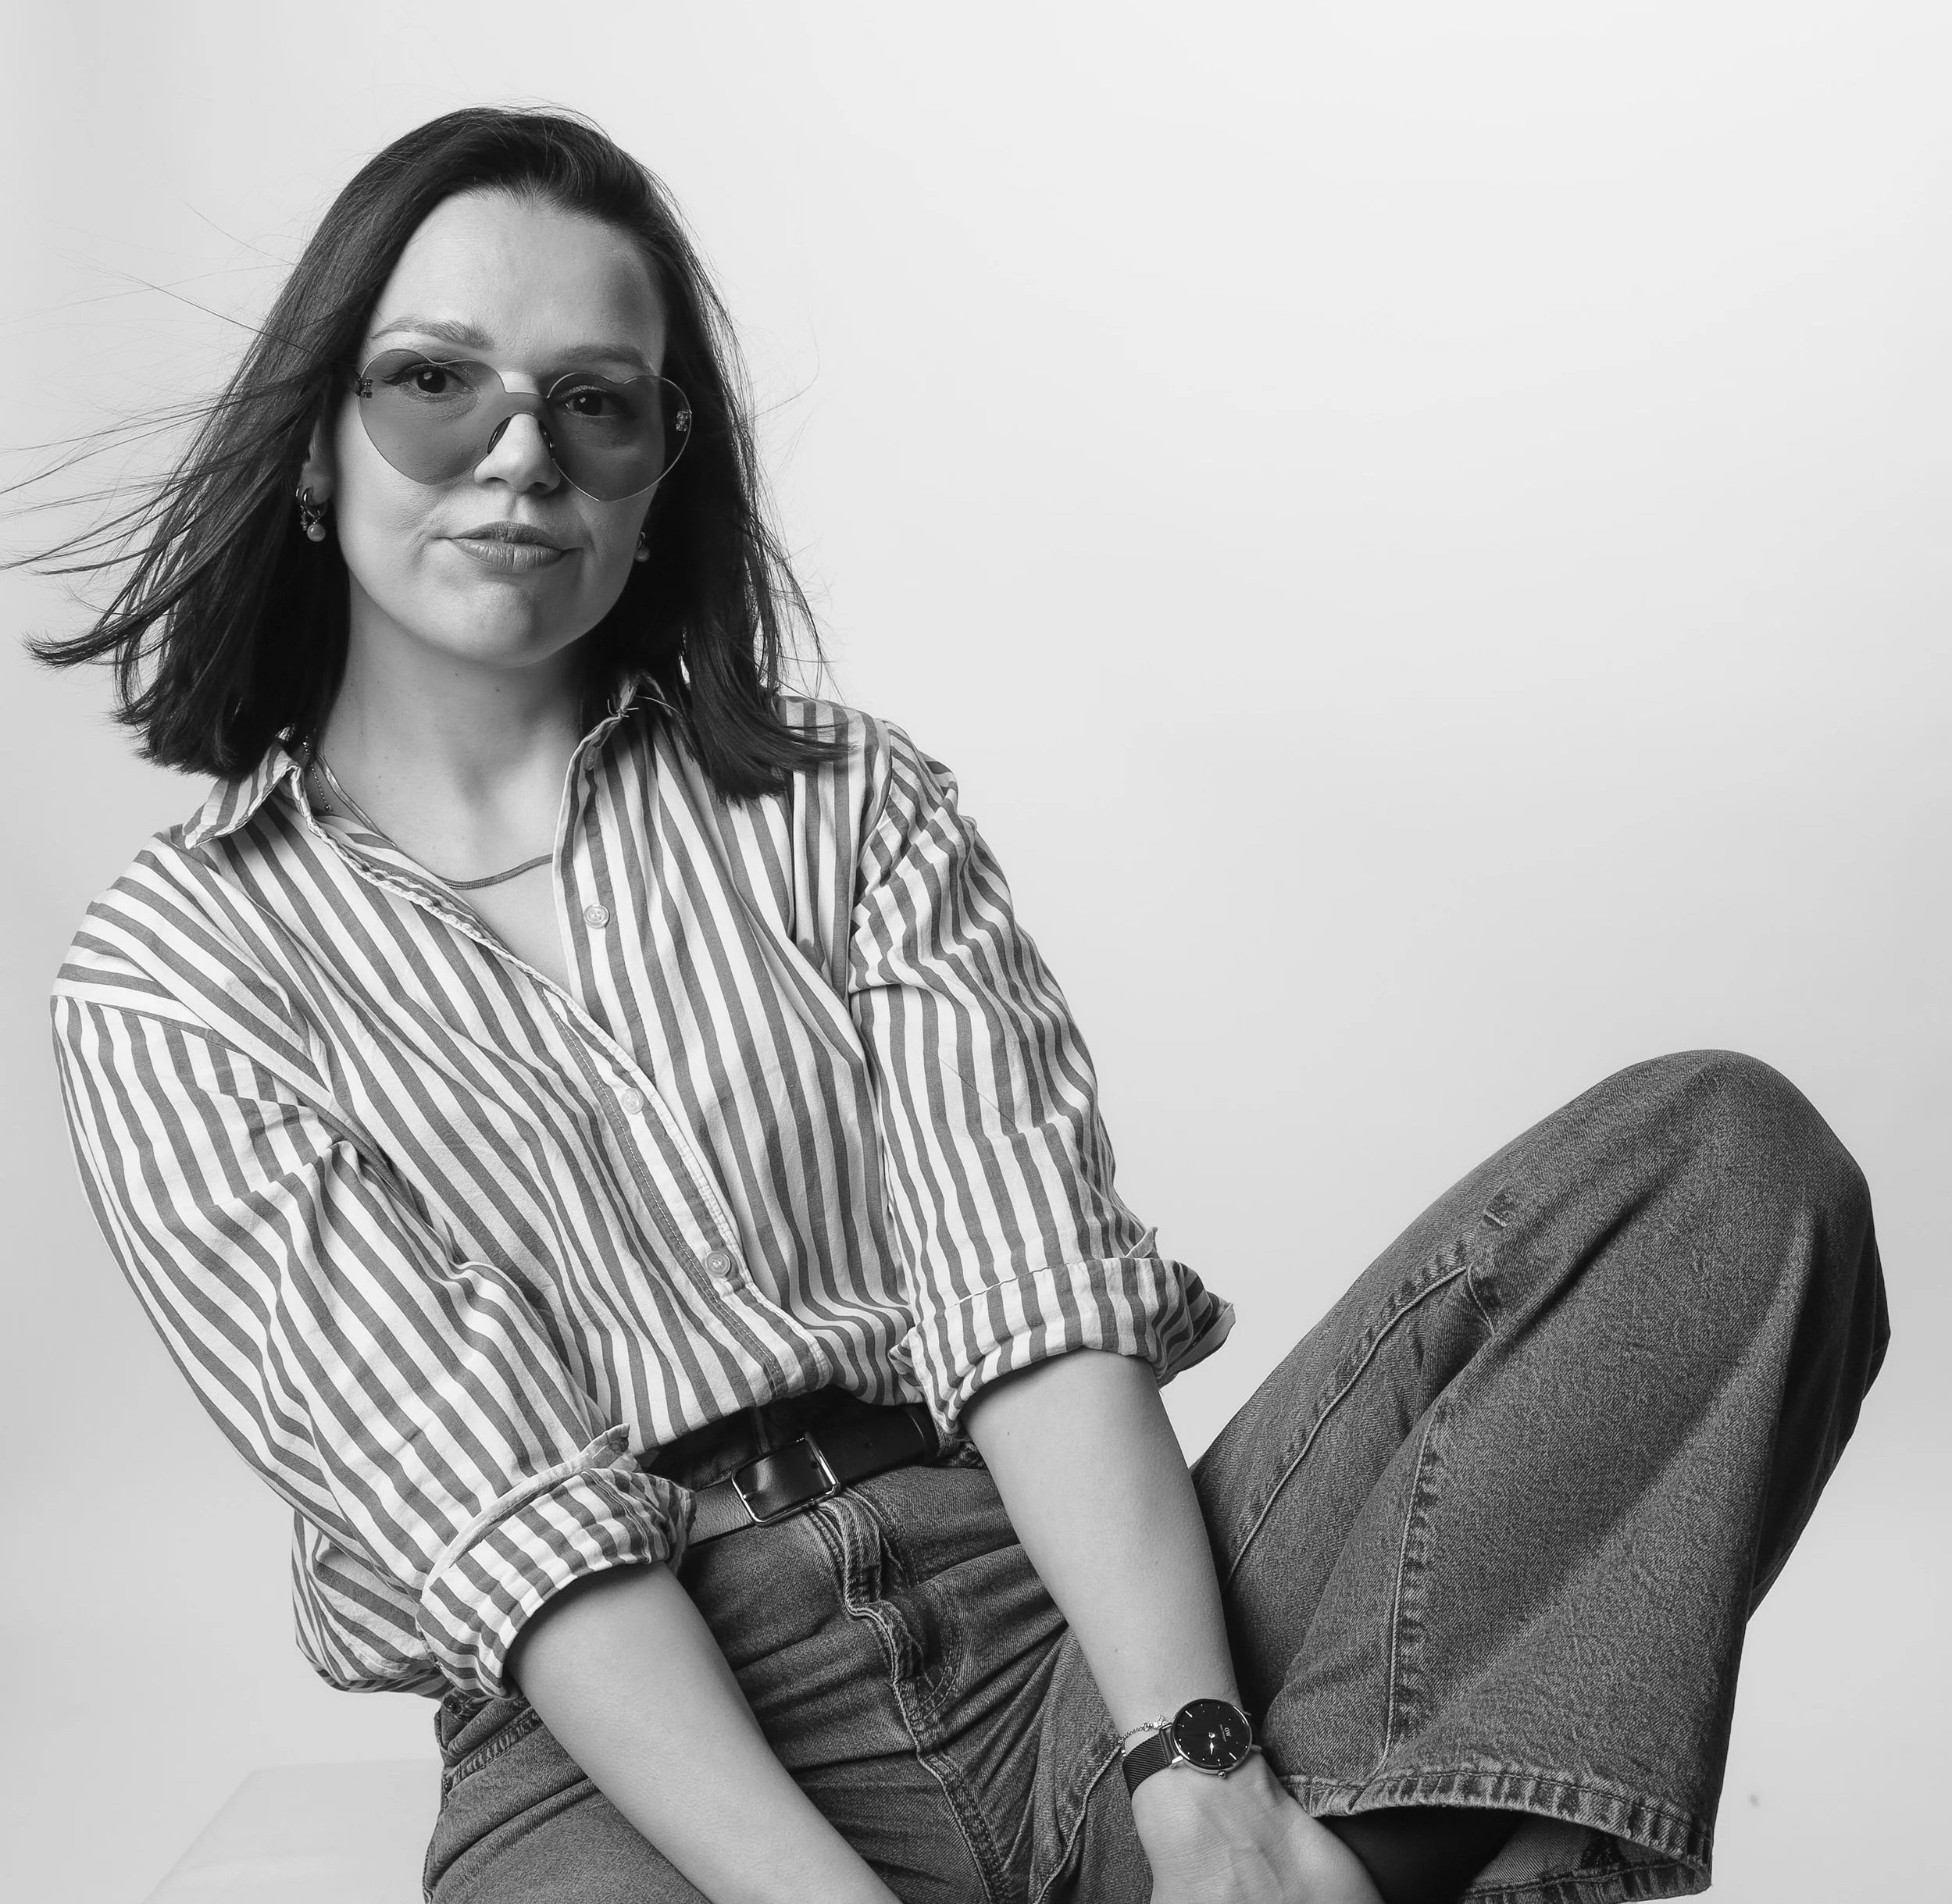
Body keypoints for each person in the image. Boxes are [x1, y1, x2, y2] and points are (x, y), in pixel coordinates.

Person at [34, 108, 1887, 1904]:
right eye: (435, 380)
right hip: (624, 1756)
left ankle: (1261, 1879)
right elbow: (499, 1525)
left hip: (1049, 1632)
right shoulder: (173, 977)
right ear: (311, 443)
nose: (520, 453)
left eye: (595, 403)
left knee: (1715, 1162)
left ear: (661, 466)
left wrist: (1196, 1779)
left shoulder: (840, 801)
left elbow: (1028, 1305)